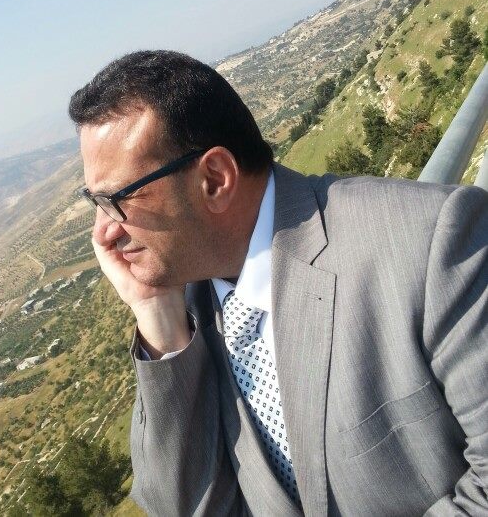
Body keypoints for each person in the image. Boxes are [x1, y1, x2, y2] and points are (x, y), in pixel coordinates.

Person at [68, 50, 487, 516]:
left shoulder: (428, 242)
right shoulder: (187, 310)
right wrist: (156, 316)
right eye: (95, 202)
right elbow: (182, 507)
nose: (104, 232)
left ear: (214, 179)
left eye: (118, 198)